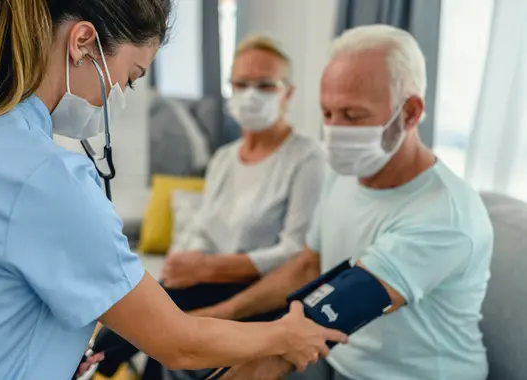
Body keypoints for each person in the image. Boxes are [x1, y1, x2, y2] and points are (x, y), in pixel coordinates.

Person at [0, 1, 348, 380]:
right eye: (129, 78)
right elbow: (181, 344)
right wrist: (285, 333)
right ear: (83, 43)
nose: (116, 96)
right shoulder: (41, 176)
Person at [195, 25, 494, 380]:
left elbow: (328, 317)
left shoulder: (443, 215)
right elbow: (308, 265)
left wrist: (199, 337)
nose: (335, 132)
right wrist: (218, 315)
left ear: (411, 112)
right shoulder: (348, 169)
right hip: (339, 361)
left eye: (353, 116)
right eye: (327, 113)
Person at [92, 34, 326, 379]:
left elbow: (295, 254)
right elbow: (204, 228)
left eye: (265, 85)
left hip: (260, 295)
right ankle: (98, 363)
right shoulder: (224, 159)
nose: (251, 94)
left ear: (287, 93)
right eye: (242, 84)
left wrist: (207, 267)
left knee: (165, 343)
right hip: (204, 281)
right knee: (122, 330)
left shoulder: (307, 159)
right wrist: (185, 261)